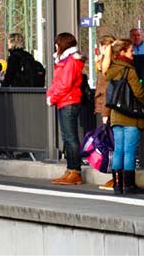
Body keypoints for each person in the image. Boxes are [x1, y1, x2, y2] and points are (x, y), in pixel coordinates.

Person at [104, 38, 144, 195]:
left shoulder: (111, 69)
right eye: (131, 50)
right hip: (130, 116)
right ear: (122, 52)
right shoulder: (129, 70)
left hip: (116, 115)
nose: (133, 53)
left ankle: (117, 185)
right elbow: (138, 93)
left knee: (118, 150)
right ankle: (129, 185)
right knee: (129, 151)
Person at [46, 32, 85, 185]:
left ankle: (75, 171)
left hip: (68, 101)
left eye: (57, 43)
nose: (55, 46)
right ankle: (70, 169)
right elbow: (59, 82)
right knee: (67, 138)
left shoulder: (70, 62)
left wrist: (52, 97)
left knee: (71, 138)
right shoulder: (67, 60)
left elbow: (65, 84)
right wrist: (52, 95)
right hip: (65, 101)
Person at [94, 34, 115, 190]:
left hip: (108, 107)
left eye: (101, 46)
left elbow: (108, 89)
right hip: (104, 106)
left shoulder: (109, 64)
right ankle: (115, 176)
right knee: (111, 142)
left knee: (113, 143)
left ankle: (116, 176)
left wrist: (105, 113)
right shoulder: (103, 63)